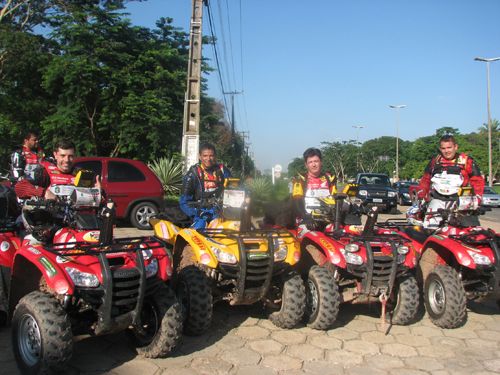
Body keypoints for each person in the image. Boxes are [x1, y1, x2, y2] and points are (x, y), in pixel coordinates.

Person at [415, 134, 485, 228]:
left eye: (449, 147)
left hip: (460, 202)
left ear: (455, 147)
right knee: (430, 228)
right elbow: (425, 179)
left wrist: (477, 198)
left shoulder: (466, 161)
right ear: (440, 149)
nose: (446, 151)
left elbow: (477, 181)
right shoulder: (435, 161)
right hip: (437, 200)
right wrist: (421, 195)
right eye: (443, 148)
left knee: (466, 231)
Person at [14, 139, 100, 201]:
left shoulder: (81, 174)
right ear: (55, 155)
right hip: (51, 221)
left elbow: (100, 199)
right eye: (63, 156)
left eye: (70, 156)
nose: (67, 160)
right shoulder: (44, 172)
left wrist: (98, 193)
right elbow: (19, 187)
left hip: (77, 221)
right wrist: (44, 193)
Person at [179, 143, 231, 229]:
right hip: (200, 214)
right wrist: (196, 213)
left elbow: (234, 189)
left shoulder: (222, 171)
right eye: (205, 156)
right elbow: (183, 202)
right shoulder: (193, 174)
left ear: (215, 156)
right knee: (200, 226)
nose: (208, 159)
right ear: (200, 156)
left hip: (220, 212)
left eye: (211, 156)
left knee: (233, 227)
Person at [291, 147, 337, 237]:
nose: (314, 164)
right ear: (306, 165)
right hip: (307, 220)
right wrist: (306, 217)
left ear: (321, 162)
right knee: (307, 238)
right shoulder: (300, 180)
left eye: (316, 161)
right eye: (310, 162)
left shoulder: (329, 178)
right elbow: (296, 202)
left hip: (328, 219)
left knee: (343, 235)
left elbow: (335, 198)